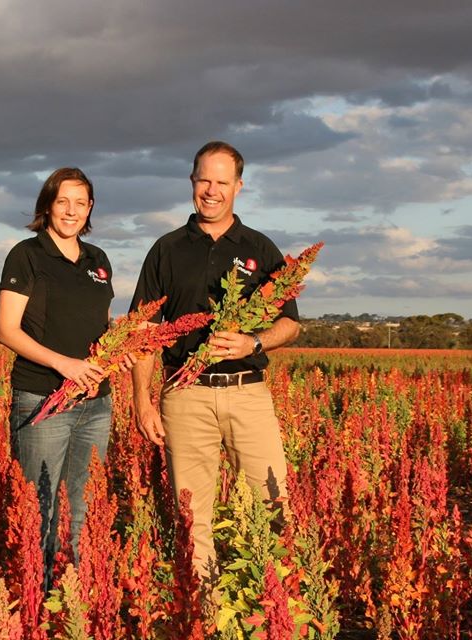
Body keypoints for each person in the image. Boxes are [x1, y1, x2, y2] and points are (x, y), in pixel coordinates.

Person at [130, 141, 300, 584]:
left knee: (273, 505)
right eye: (204, 179)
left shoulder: (260, 248)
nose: (211, 190)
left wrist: (253, 342)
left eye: (222, 182)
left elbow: (290, 324)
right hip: (184, 397)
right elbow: (146, 331)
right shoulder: (166, 249)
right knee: (192, 516)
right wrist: (142, 402)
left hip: (247, 394)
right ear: (192, 182)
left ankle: (271, 605)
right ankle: (203, 609)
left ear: (238, 187)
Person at [0, 167, 128, 581]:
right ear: (47, 206)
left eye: (81, 202)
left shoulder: (98, 260)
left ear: (90, 208)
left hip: (95, 403)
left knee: (83, 504)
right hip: (43, 400)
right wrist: (63, 364)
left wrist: (122, 345)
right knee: (39, 508)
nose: (71, 211)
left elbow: (101, 326)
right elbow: (6, 330)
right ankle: (38, 592)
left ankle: (72, 594)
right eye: (63, 201)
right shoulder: (27, 254)